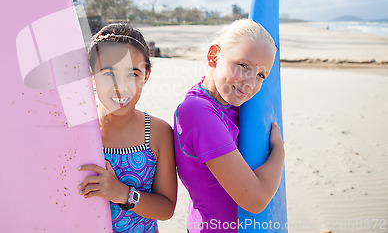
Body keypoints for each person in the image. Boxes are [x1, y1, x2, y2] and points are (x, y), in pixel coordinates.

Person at [174, 19, 285, 233]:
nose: (250, 83)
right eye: (243, 66)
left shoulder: (230, 103)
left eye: (261, 75)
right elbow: (255, 200)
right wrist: (279, 150)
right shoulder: (197, 111)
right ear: (213, 56)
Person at [78, 23, 177, 233]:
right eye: (108, 73)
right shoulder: (75, 133)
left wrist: (122, 193)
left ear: (146, 76)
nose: (120, 86)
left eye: (132, 74)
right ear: (90, 76)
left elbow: (166, 208)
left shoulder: (158, 133)